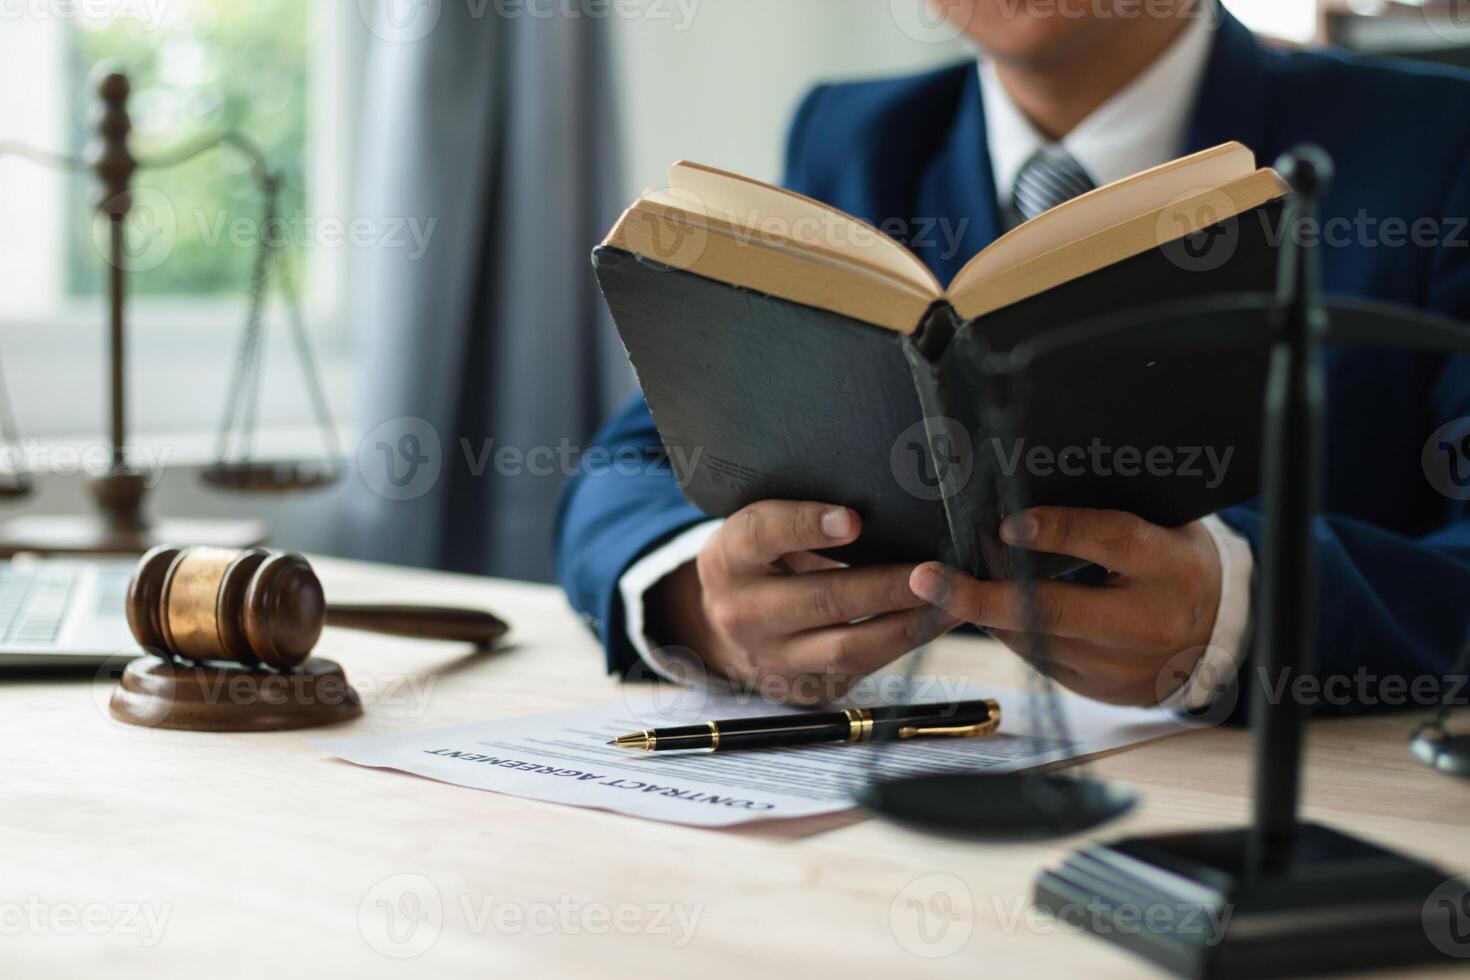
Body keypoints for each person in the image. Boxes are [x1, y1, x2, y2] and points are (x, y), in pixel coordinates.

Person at [555, 0, 1470, 717]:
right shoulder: (852, 137)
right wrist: (703, 603)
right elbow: (628, 466)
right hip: (912, 798)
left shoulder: (1436, 146)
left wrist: (1239, 611)